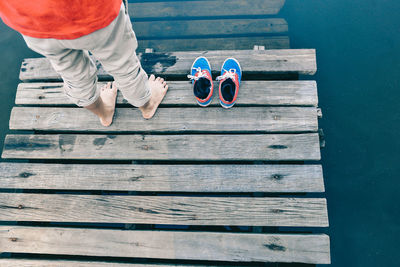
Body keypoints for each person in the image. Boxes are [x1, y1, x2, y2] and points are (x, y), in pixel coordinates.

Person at [0, 0, 168, 126]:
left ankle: (103, 112)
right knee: (122, 65)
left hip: (32, 22)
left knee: (73, 75)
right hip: (92, 12)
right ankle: (146, 105)